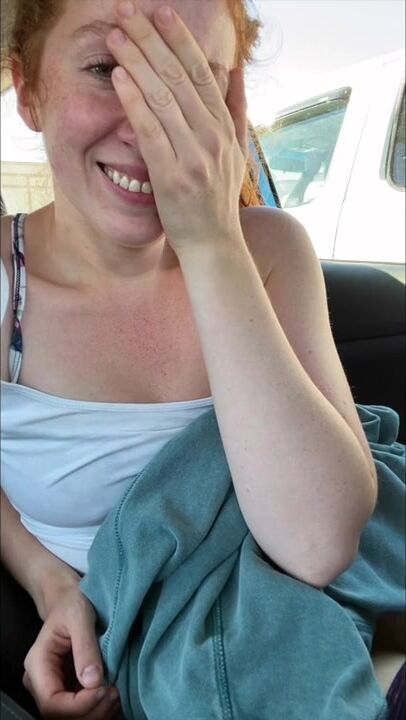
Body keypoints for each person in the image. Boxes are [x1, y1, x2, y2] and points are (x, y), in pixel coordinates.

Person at [0, 0, 399, 718]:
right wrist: (49, 582)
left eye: (193, 81)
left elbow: (318, 541)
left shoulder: (269, 251)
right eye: (106, 68)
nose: (154, 124)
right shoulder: (7, 285)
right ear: (29, 90)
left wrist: (212, 240)